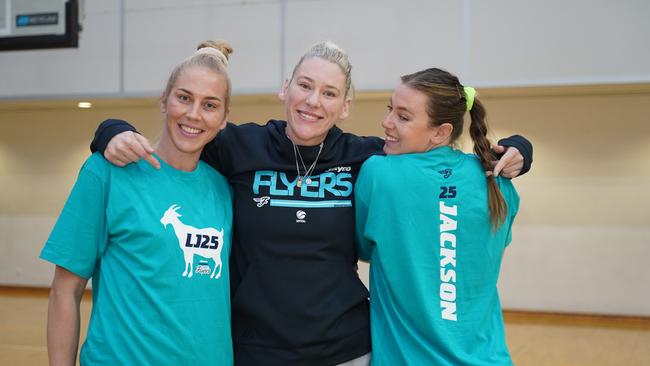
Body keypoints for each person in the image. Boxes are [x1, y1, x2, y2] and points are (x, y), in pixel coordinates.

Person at [89, 42, 532, 366]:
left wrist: (518, 149)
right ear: (286, 89)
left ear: (344, 106)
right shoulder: (239, 147)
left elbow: (434, 158)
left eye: (328, 93)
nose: (312, 101)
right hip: (255, 350)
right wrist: (111, 129)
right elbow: (184, 130)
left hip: (346, 349)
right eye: (304, 85)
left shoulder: (370, 161)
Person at [40, 40, 235, 365]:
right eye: (184, 98)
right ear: (164, 100)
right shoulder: (108, 172)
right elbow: (65, 290)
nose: (193, 114)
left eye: (210, 105)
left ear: (224, 118)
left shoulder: (225, 189)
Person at [354, 68, 520, 365]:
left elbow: (362, 248)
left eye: (403, 117)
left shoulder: (379, 175)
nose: (386, 122)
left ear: (441, 132)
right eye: (390, 109)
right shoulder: (496, 179)